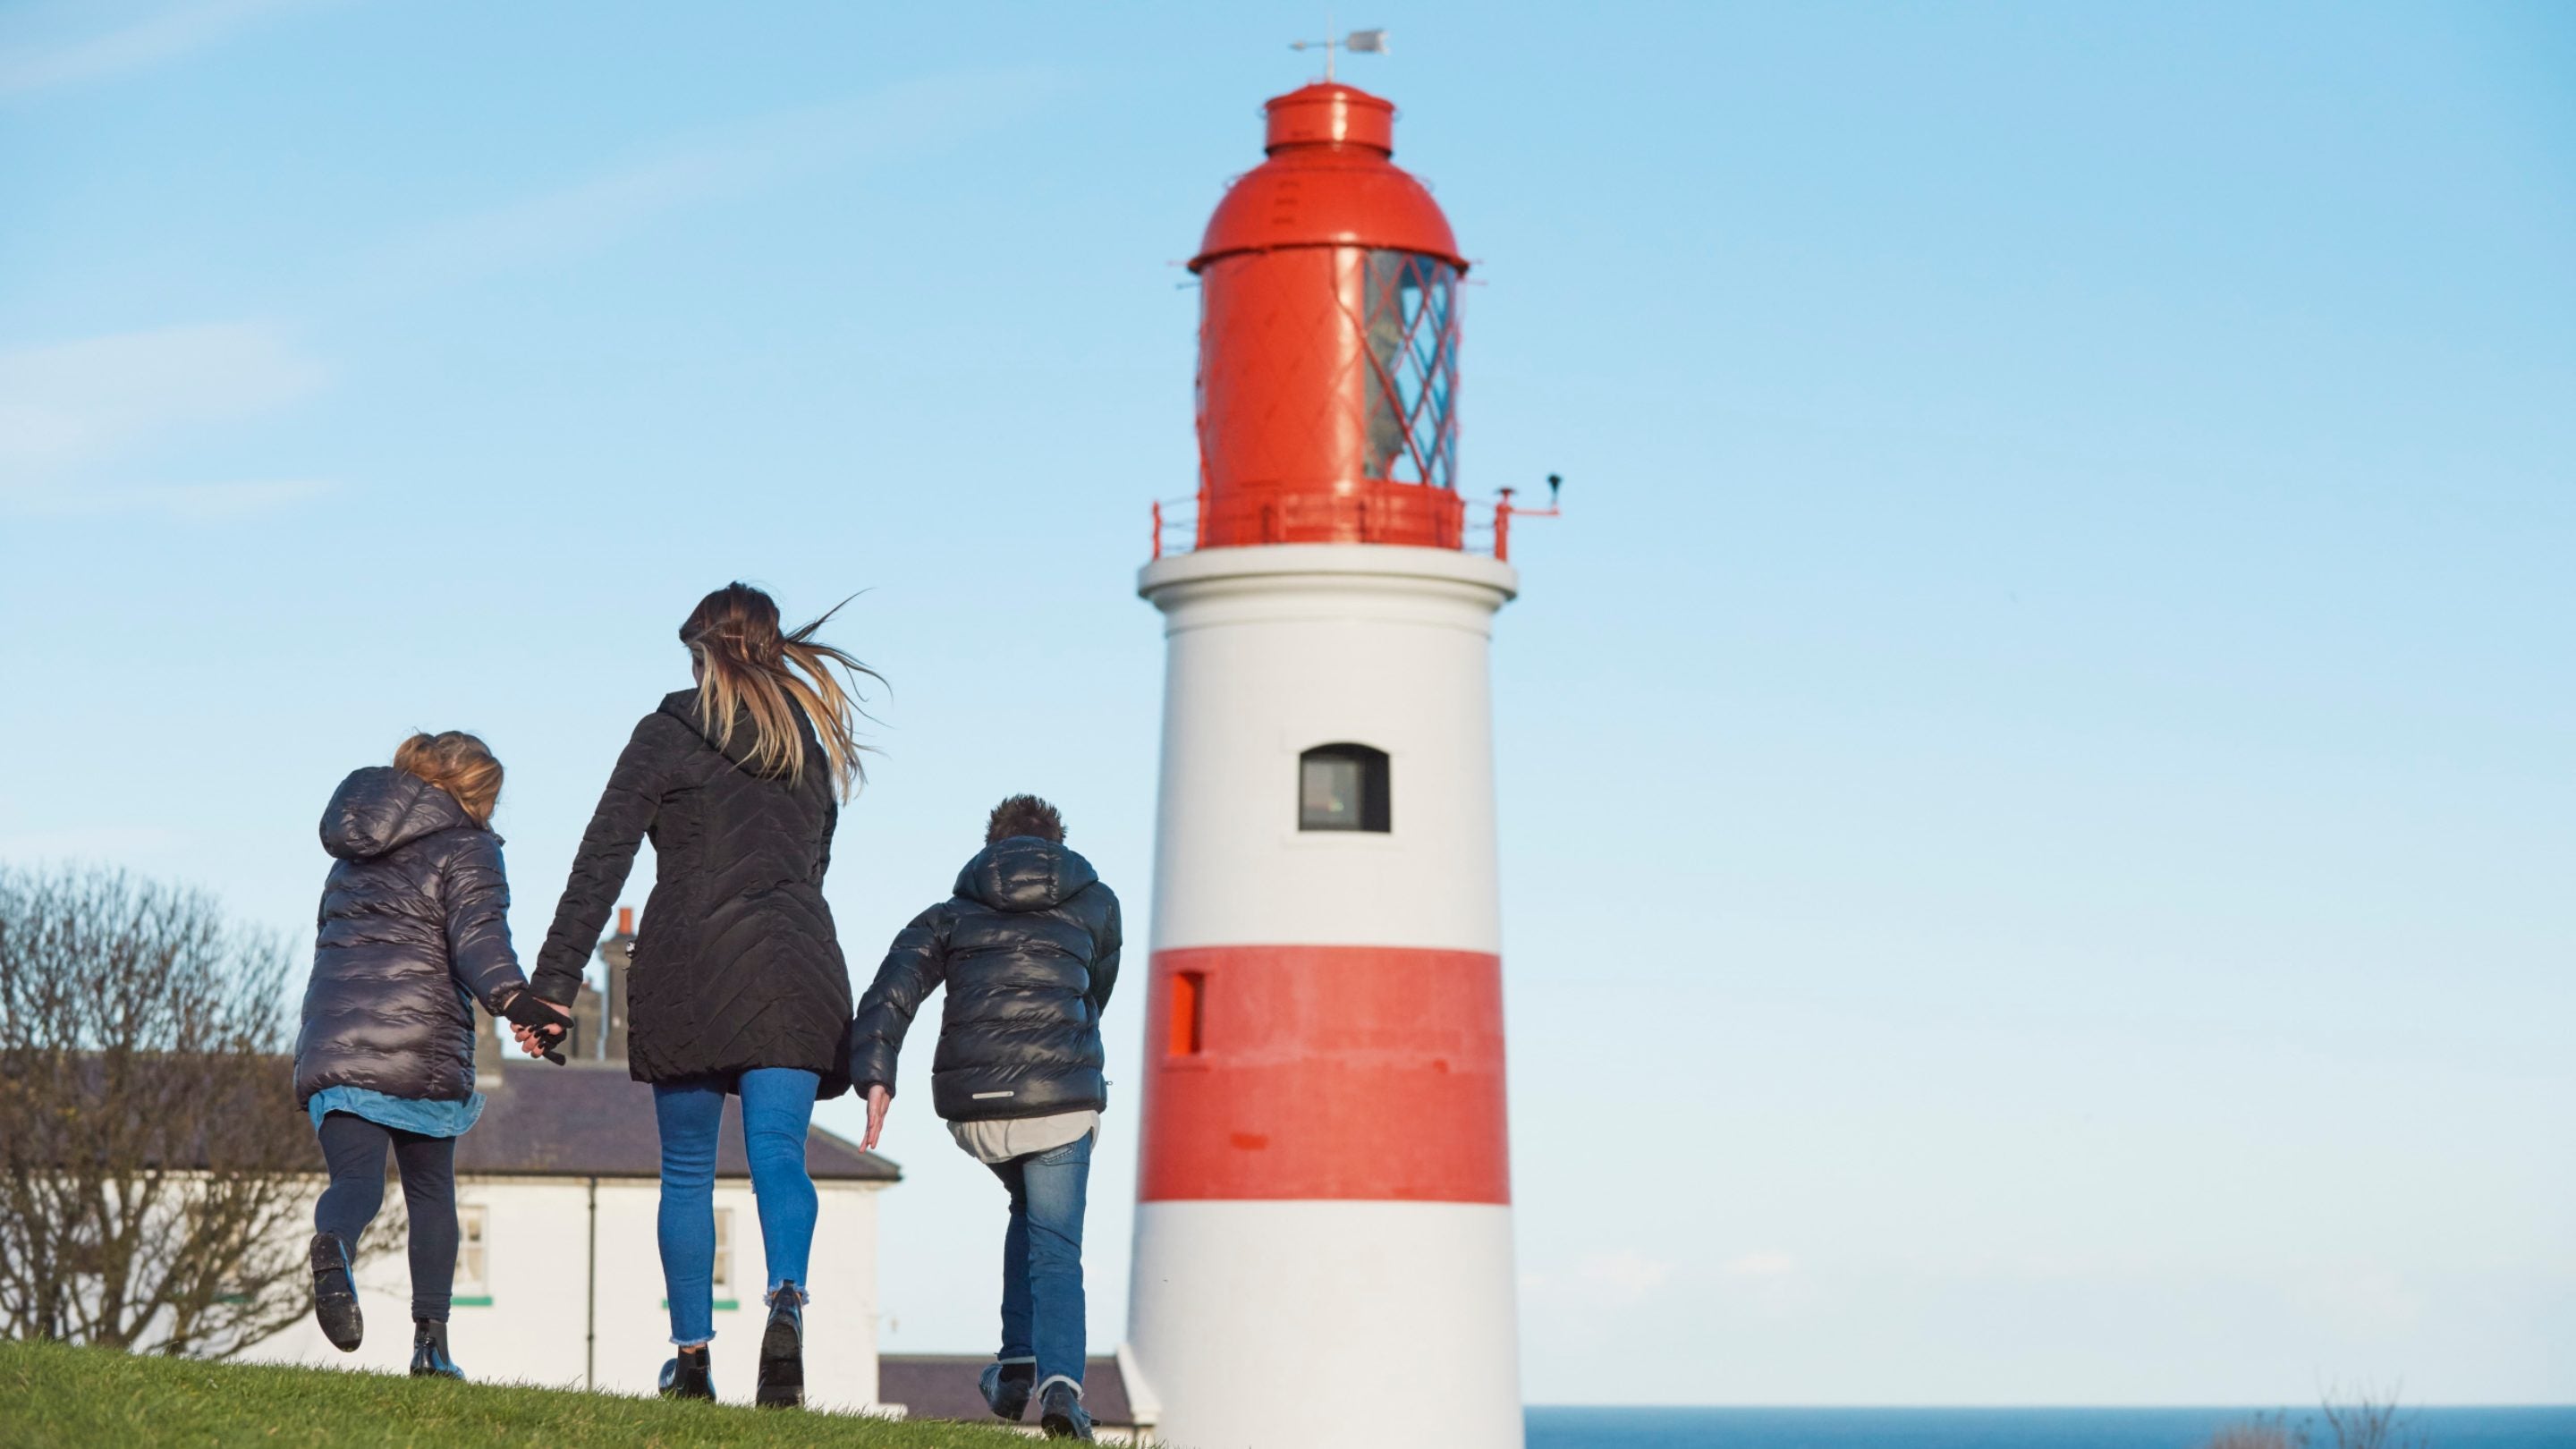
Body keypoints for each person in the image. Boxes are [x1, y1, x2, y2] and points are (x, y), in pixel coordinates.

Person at [515, 582, 876, 1407]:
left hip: (690, 966)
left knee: (687, 1172)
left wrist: (554, 988)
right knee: (779, 1154)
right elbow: (815, 866)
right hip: (798, 970)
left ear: (702, 652)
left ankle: (695, 1362)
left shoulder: (666, 734)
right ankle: (786, 1300)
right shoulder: (806, 749)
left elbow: (599, 860)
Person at [294, 732, 572, 1379]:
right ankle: (431, 1346)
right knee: (429, 1193)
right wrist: (521, 1005)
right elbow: (478, 941)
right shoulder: (468, 848)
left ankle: (333, 1245)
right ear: (476, 794)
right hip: (421, 1046)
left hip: (335, 1039)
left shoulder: (349, 851)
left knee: (355, 1185)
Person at [849, 794, 1123, 1442]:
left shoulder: (951, 912)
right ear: (1057, 845)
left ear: (991, 846)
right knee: (1057, 1248)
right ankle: (1060, 1387)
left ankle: (1015, 1366)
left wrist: (876, 1076)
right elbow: (1096, 989)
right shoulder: (1097, 903)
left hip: (976, 1109)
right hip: (1060, 1101)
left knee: (1026, 1209)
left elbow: (895, 986)